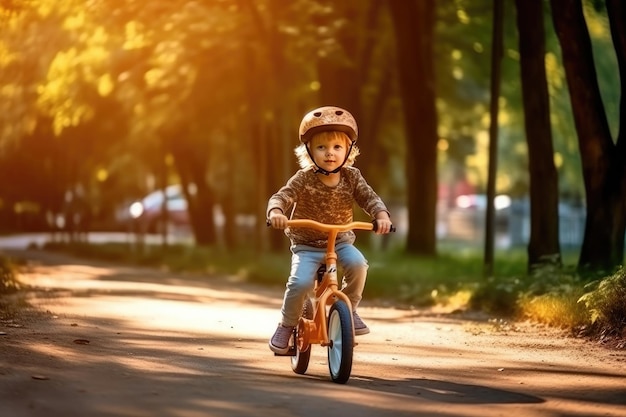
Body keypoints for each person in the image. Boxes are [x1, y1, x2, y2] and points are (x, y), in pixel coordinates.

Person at [266, 105, 393, 354]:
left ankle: (350, 309)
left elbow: (370, 198)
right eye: (321, 147)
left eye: (337, 147)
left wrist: (381, 216)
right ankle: (286, 324)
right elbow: (282, 196)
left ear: (349, 151)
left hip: (342, 242)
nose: (330, 153)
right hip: (306, 245)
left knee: (358, 265)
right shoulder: (304, 178)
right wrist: (276, 212)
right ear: (309, 152)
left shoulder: (352, 177)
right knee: (300, 283)